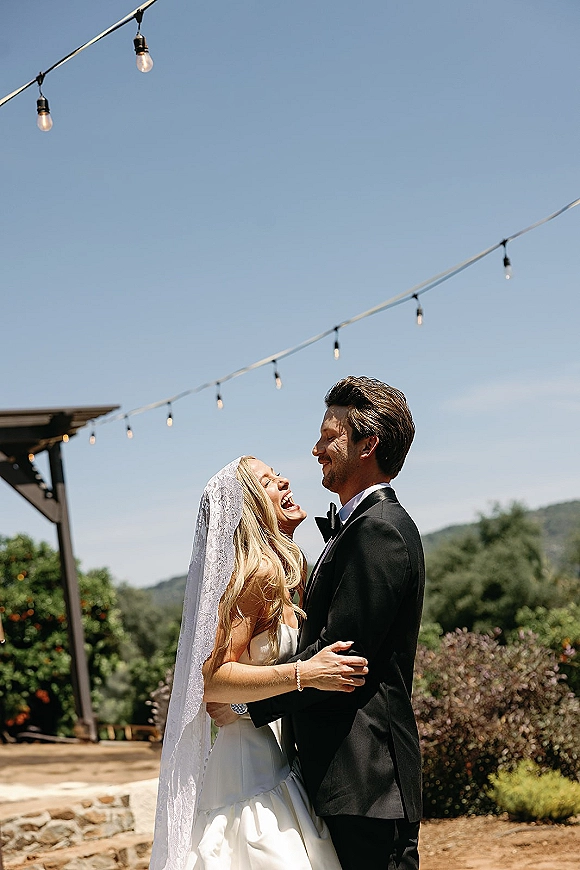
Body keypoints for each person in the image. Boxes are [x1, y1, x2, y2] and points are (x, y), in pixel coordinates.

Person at [149, 456, 368, 870]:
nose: (285, 480)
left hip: (285, 755)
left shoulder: (292, 566)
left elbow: (239, 691)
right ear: (251, 506)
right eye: (269, 481)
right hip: (251, 770)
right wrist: (306, 674)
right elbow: (212, 679)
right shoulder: (259, 574)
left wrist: (240, 705)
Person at [248, 376, 425, 870]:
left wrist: (244, 701)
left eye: (329, 436)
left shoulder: (380, 532)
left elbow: (340, 658)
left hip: (368, 782)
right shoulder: (358, 529)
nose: (316, 448)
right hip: (346, 782)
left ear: (367, 445)